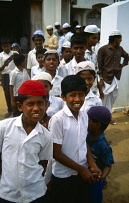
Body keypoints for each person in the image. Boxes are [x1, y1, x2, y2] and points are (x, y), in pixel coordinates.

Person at [0, 80, 53, 203]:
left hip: (35, 194)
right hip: (8, 194)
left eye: (40, 103)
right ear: (20, 106)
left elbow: (43, 162)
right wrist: (8, 176)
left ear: (46, 104)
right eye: (30, 104)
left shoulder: (46, 135)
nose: (36, 108)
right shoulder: (3, 127)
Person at [49, 75, 101, 203]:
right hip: (64, 176)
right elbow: (56, 153)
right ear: (63, 97)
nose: (77, 99)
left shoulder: (84, 116)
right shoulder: (58, 120)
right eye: (72, 95)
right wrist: (81, 169)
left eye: (81, 95)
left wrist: (92, 164)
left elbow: (83, 142)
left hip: (82, 173)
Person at [98, 30, 129, 124]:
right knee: (103, 98)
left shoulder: (120, 49)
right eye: (120, 38)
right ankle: (102, 116)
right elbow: (99, 65)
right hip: (105, 77)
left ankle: (108, 115)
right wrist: (101, 79)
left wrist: (122, 65)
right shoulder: (103, 49)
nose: (121, 40)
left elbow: (127, 56)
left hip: (115, 77)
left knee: (113, 96)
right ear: (115, 38)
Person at [87, 106, 114, 203]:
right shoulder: (87, 135)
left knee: (94, 198)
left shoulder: (103, 146)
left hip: (96, 181)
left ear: (97, 125)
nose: (85, 121)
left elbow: (108, 165)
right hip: (84, 176)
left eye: (88, 120)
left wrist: (101, 177)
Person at [0, 37, 18, 118]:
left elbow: (20, 61)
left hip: (15, 74)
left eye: (7, 46)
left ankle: (16, 109)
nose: (6, 48)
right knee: (7, 93)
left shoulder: (15, 53)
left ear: (10, 46)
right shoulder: (0, 56)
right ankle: (9, 110)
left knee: (15, 91)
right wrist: (5, 64)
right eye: (4, 46)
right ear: (2, 47)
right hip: (6, 76)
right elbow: (0, 69)